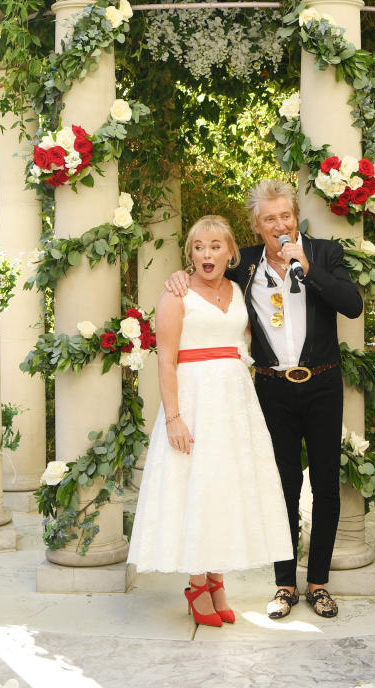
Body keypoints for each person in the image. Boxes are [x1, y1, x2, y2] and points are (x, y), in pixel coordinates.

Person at [166, 180, 363, 619]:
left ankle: (319, 584)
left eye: (286, 215)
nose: (280, 225)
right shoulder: (246, 266)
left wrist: (307, 267)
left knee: (326, 484)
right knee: (282, 486)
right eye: (269, 219)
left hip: (323, 382)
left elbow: (352, 305)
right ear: (256, 226)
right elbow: (207, 276)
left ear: (296, 216)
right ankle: (284, 585)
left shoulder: (325, 253)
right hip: (272, 388)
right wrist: (180, 275)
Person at [128, 215, 292, 627]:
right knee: (195, 486)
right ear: (190, 253)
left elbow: (249, 343)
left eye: (216, 246)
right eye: (198, 246)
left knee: (224, 488)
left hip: (234, 405)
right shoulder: (175, 295)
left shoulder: (239, 291)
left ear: (230, 253)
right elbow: (165, 360)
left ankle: (217, 578)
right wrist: (174, 418)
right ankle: (196, 582)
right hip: (194, 402)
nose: (207, 254)